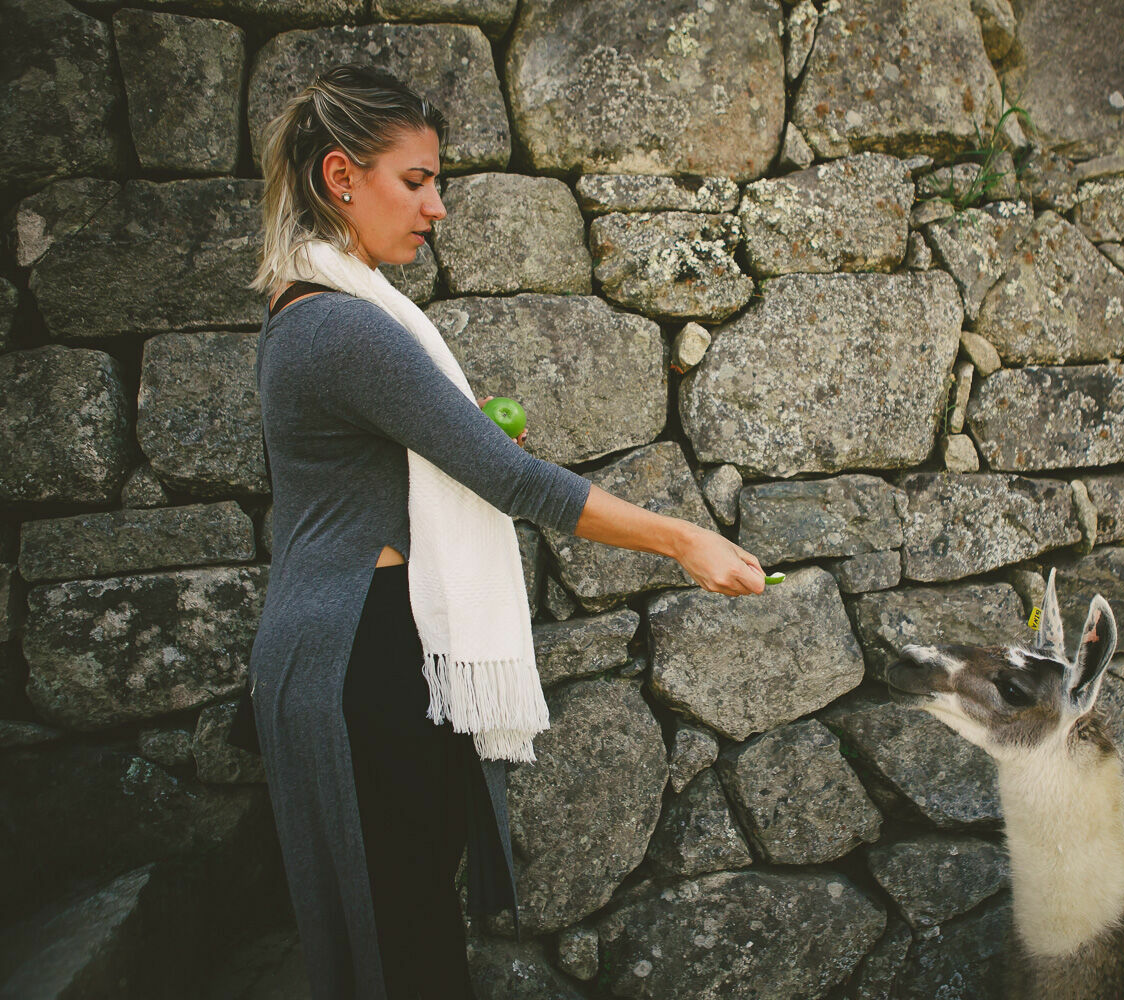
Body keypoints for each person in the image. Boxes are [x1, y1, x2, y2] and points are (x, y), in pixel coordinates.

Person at [245, 64, 766, 1000]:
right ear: (340, 178)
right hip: (356, 653)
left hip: (345, 640)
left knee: (398, 917)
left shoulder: (309, 313)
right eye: (416, 181)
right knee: (405, 936)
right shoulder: (346, 331)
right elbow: (513, 480)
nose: (437, 207)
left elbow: (416, 458)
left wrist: (453, 429)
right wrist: (683, 540)